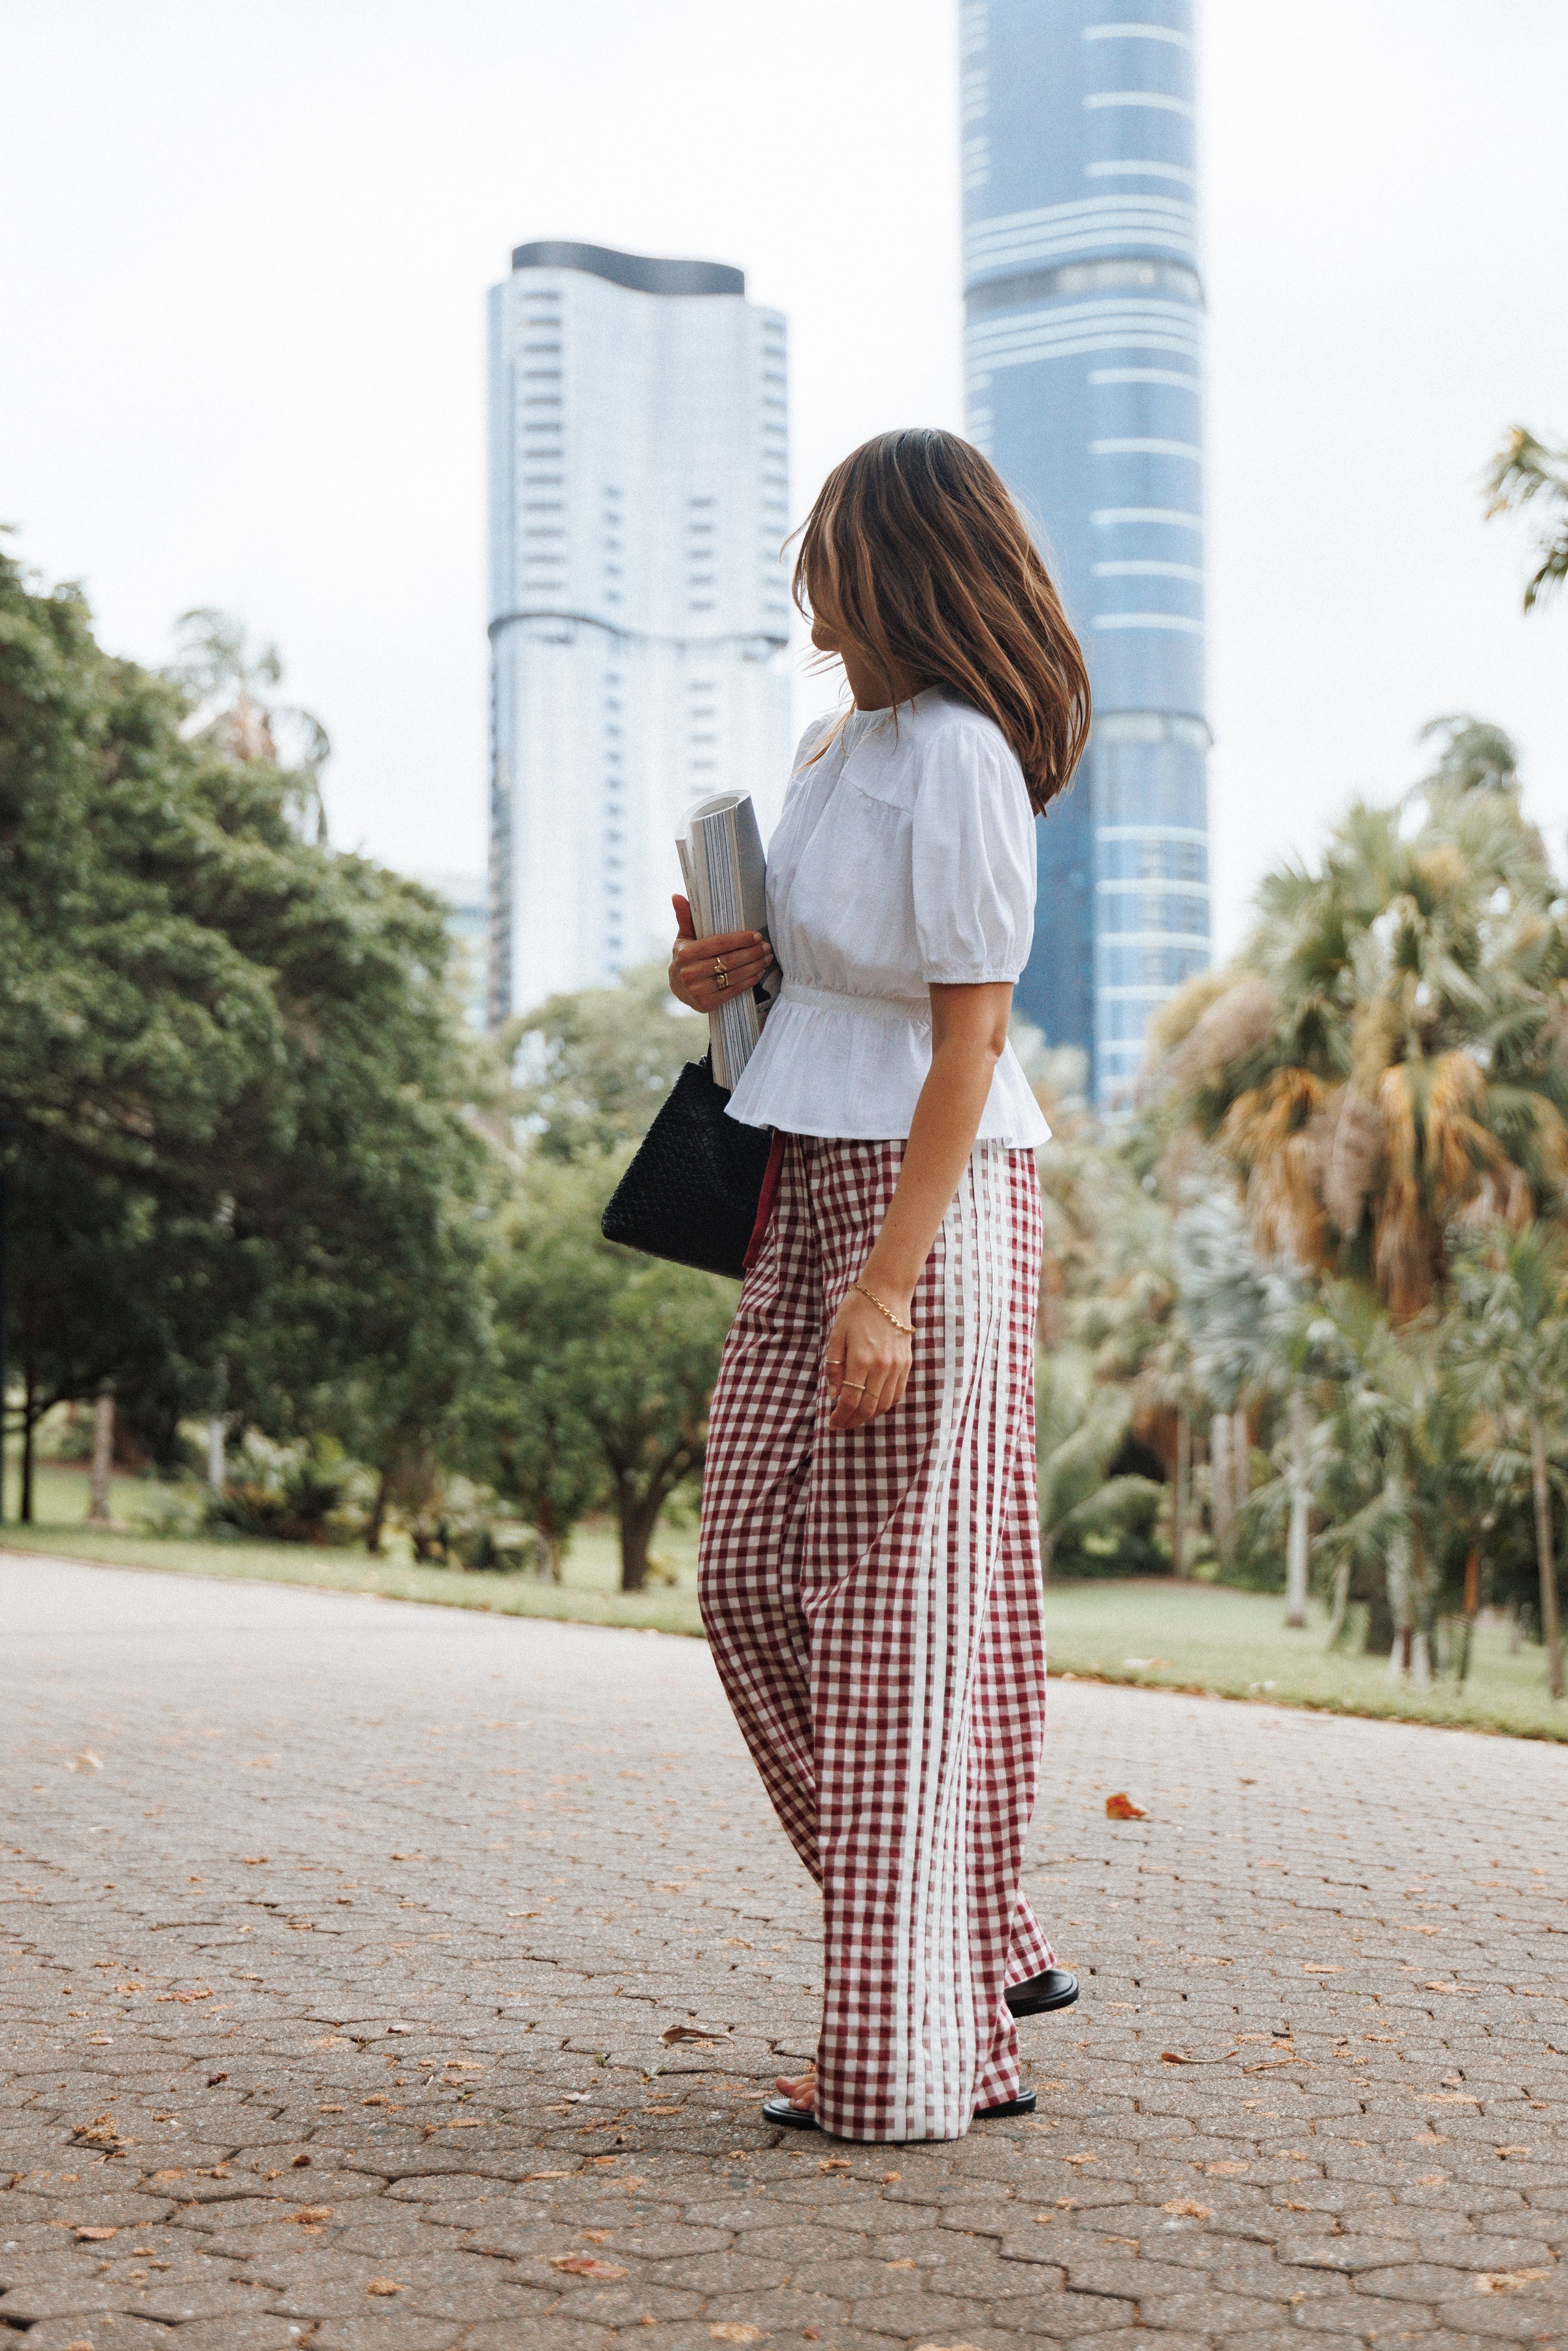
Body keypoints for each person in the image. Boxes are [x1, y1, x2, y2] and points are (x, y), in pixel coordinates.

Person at [668, 428, 1090, 2144]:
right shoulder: (837, 743)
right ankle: (978, 1938)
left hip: (936, 1195)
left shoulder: (969, 760)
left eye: (831, 569)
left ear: (901, 568)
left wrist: (892, 1287)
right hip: (798, 1170)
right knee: (745, 1579)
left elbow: (968, 1036)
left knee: (900, 1629)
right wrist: (712, 972)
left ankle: (915, 2059)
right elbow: (813, 991)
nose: (812, 605)